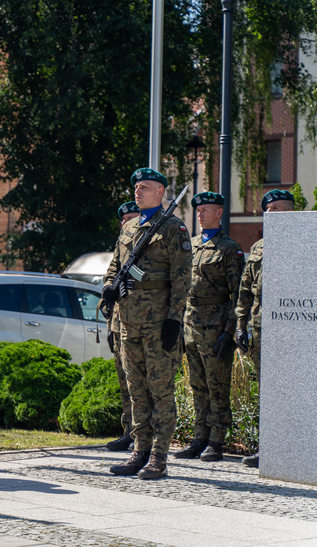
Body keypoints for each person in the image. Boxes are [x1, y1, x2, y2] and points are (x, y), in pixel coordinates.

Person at [104, 168, 191, 480]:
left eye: (145, 187)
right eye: (137, 187)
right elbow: (115, 265)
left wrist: (173, 320)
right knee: (137, 390)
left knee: (160, 391)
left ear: (161, 193)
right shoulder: (129, 228)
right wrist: (108, 288)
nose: (138, 192)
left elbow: (182, 281)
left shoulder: (173, 229)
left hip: (157, 324)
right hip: (128, 322)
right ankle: (139, 451)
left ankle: (159, 456)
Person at [174, 192, 245, 462]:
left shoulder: (229, 248)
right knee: (197, 385)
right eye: (199, 210)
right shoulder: (190, 245)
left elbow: (237, 293)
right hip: (191, 324)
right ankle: (199, 437)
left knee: (217, 385)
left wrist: (229, 332)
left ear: (220, 213)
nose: (201, 215)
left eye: (207, 210)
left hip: (215, 326)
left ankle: (216, 440)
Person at [234, 189, 294, 469]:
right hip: (261, 330)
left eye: (278, 209)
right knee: (266, 391)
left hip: (295, 330)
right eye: (268, 209)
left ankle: (297, 448)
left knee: (294, 389)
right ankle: (266, 449)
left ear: (292, 212)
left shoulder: (306, 242)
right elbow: (245, 290)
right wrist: (241, 326)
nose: (271, 213)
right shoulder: (258, 248)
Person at [105, 201, 139, 452]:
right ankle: (128, 431)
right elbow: (110, 287)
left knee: (139, 385)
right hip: (118, 326)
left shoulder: (146, 245)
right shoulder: (120, 248)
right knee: (124, 384)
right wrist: (109, 327)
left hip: (140, 325)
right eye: (125, 219)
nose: (128, 222)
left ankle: (142, 434)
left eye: (133, 218)